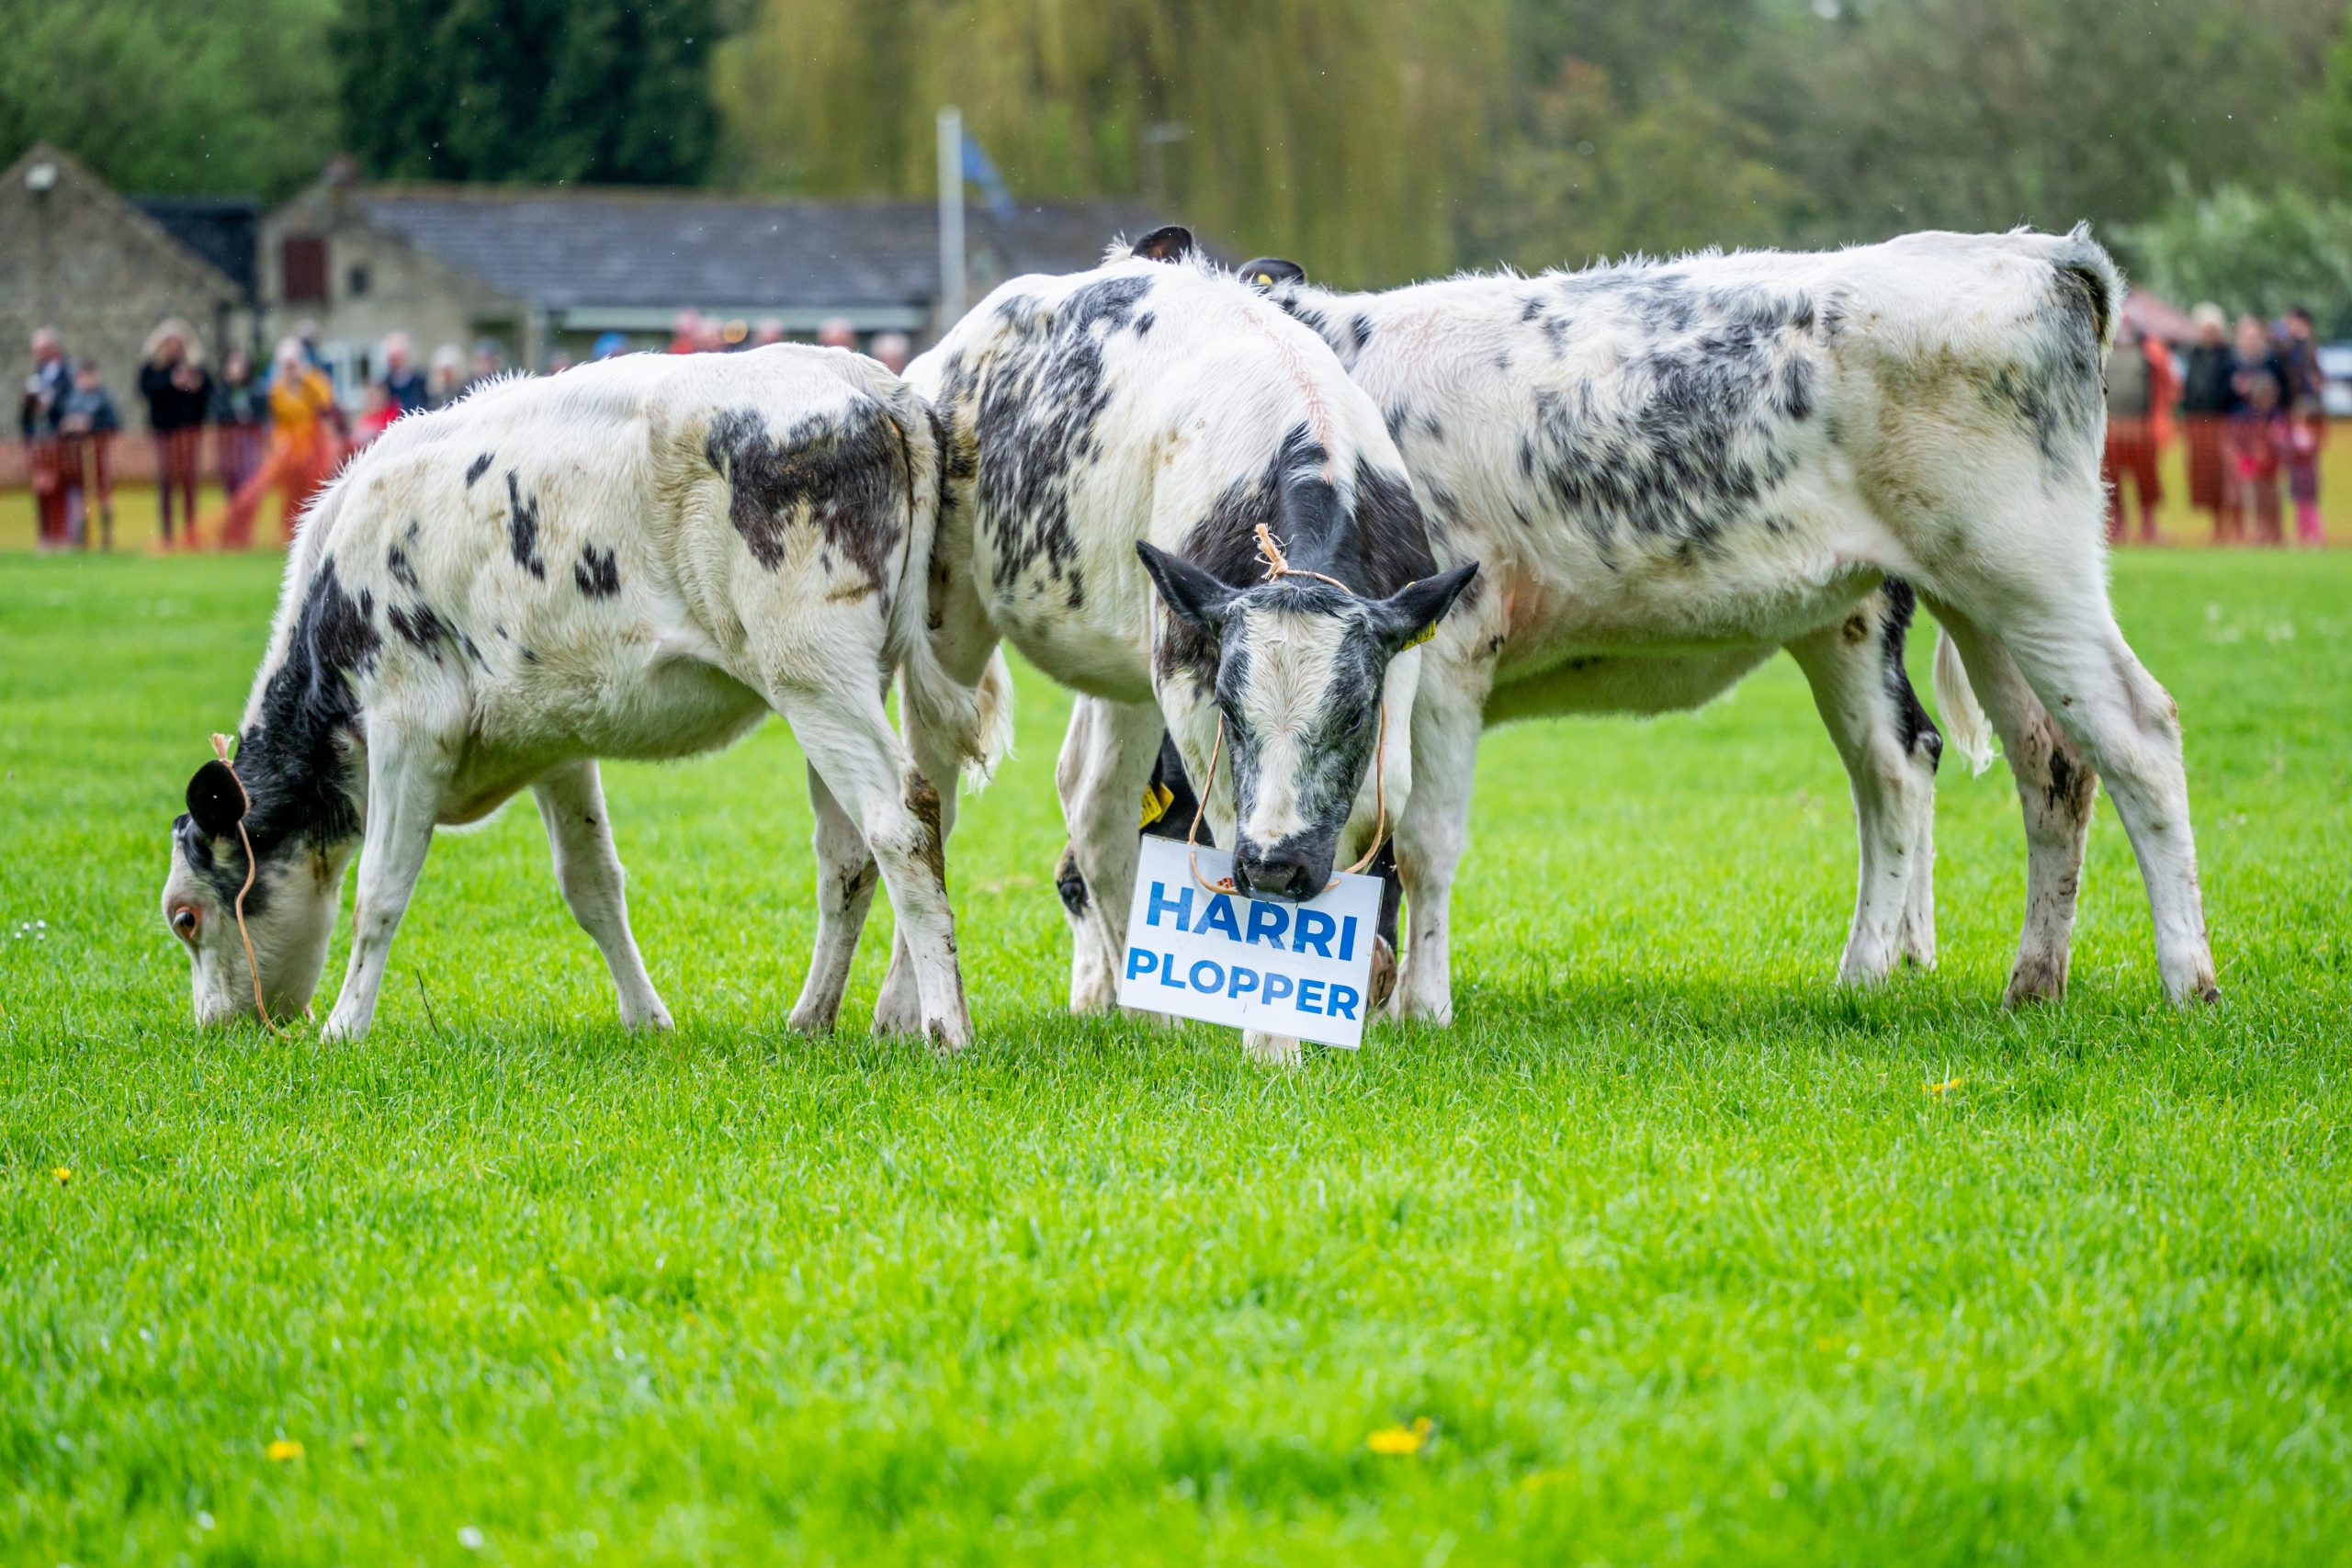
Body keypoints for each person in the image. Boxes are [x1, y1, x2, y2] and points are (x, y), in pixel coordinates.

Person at [205, 336, 338, 548]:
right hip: (289, 454)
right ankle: (289, 535)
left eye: (293, 364)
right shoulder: (277, 389)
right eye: (286, 365)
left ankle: (316, 535)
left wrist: (305, 382)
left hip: (314, 452)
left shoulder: (313, 382)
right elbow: (276, 420)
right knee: (290, 497)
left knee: (314, 494)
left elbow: (325, 405)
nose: (290, 369)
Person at [139, 320, 213, 548]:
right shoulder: (154, 369)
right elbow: (146, 389)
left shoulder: (194, 367)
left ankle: (190, 534)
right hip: (165, 431)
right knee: (167, 482)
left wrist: (194, 384)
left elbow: (207, 391)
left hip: (189, 431)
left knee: (189, 484)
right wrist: (172, 383)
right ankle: (168, 535)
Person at [2101, 319, 2175, 545]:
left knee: (2147, 480)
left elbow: (2165, 387)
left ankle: (2148, 526)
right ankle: (2118, 526)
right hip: (2111, 428)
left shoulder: (2149, 353)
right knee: (2113, 479)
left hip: (2142, 428)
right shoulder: (2104, 352)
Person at [2230, 314, 2290, 546]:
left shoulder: (2272, 362)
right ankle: (2256, 533)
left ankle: (2275, 533)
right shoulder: (2245, 416)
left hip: (2271, 466)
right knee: (2251, 497)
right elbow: (2237, 440)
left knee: (2273, 498)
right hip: (2249, 464)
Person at [2178, 304, 2237, 542]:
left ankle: (2232, 527)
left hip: (2223, 424)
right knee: (2207, 479)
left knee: (2227, 478)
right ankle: (2216, 526)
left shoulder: (2228, 356)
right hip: (2198, 426)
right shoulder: (2193, 355)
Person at [55, 358, 122, 550]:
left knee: (104, 495)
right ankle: (82, 538)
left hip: (98, 454)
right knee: (80, 498)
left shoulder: (103, 400)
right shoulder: (71, 400)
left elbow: (113, 423)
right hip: (77, 457)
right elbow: (60, 424)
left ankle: (106, 538)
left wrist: (90, 425)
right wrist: (70, 425)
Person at [2278, 307, 2327, 545]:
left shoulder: (2307, 348)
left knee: (2308, 489)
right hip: (2295, 418)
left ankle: (2314, 533)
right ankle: (2303, 532)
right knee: (2298, 491)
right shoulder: (2289, 347)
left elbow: (2315, 382)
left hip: (2308, 419)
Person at [20, 327, 73, 548]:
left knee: (60, 487)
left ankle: (63, 536)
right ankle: (46, 536)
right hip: (39, 439)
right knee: (41, 488)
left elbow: (70, 404)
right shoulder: (36, 376)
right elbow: (26, 414)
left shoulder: (66, 375)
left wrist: (53, 406)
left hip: (59, 439)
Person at [210, 347, 266, 498]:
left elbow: (261, 410)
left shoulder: (255, 388)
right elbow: (218, 412)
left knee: (248, 478)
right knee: (231, 479)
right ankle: (234, 515)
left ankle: (245, 516)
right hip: (229, 441)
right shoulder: (222, 390)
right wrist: (236, 416)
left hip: (249, 439)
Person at [380, 333, 429, 414]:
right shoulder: (384, 384)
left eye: (398, 357)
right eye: (393, 358)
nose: (396, 362)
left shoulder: (420, 381)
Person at [426, 343, 466, 408]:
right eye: (442, 371)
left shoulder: (465, 394)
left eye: (448, 371)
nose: (446, 376)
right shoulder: (429, 395)